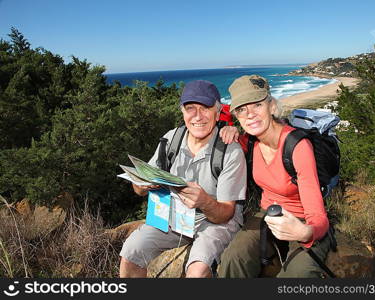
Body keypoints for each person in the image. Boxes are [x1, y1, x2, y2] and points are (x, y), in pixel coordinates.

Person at [119, 80, 247, 278]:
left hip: (216, 220)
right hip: (176, 217)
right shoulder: (172, 139)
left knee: (197, 271)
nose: (197, 116)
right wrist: (143, 185)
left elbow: (226, 214)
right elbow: (138, 188)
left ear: (217, 110)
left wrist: (205, 202)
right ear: (182, 111)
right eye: (190, 108)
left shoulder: (229, 150)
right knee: (131, 252)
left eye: (205, 108)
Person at [217, 75, 331, 278]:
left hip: (303, 219)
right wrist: (229, 129)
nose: (250, 114)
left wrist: (305, 232)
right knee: (233, 260)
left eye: (257, 105)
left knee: (296, 275)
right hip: (268, 214)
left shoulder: (297, 146)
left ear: (271, 106)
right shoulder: (250, 142)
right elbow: (226, 140)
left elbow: (318, 216)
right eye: (242, 109)